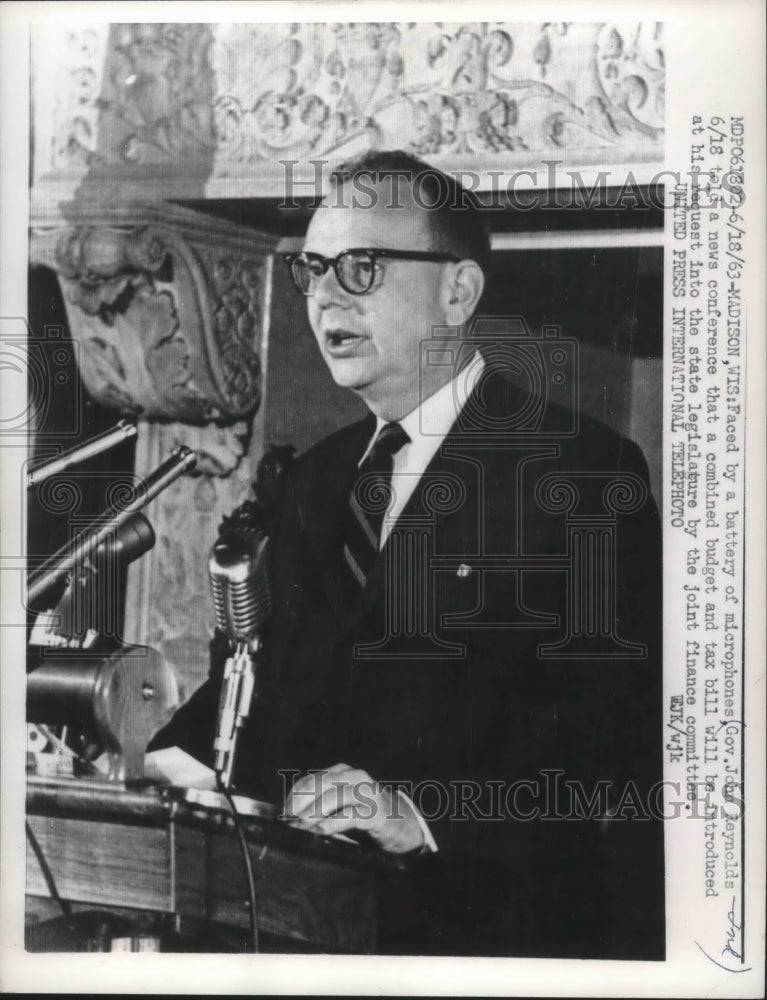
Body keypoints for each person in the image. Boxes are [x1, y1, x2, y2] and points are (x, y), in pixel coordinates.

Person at [151, 150, 665, 959]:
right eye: (312, 270)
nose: (325, 296)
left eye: (360, 267)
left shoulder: (581, 470)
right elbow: (245, 696)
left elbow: (609, 748)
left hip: (480, 941)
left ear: (457, 291)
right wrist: (146, 765)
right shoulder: (309, 482)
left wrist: (415, 814)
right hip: (298, 935)